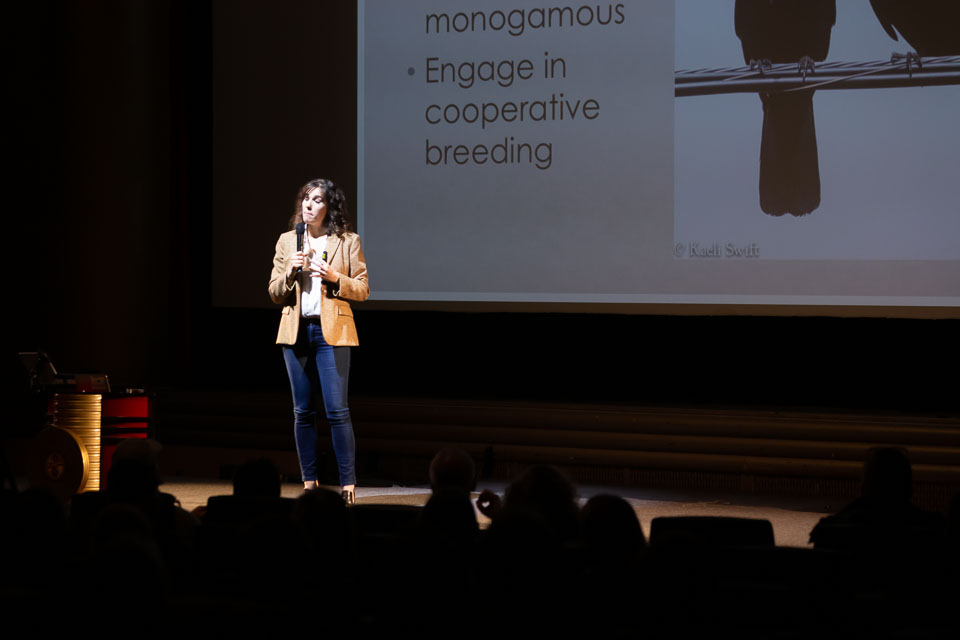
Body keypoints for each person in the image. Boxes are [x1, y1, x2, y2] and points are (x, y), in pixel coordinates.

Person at [268, 178, 369, 504]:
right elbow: (274, 292)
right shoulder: (288, 241)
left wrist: (334, 277)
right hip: (295, 332)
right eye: (306, 199)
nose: (308, 205)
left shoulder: (347, 241)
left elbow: (363, 289)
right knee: (303, 412)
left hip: (333, 333)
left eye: (317, 200)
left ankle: (347, 484)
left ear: (330, 207)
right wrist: (290, 272)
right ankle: (309, 483)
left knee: (337, 411)